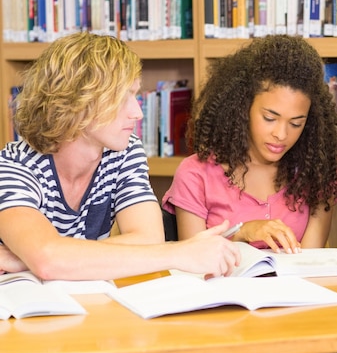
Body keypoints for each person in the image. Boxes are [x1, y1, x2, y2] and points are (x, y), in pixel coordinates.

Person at [0, 32, 241, 280]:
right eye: (121, 98)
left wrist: (28, 259)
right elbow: (48, 261)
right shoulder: (14, 167)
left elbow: (149, 241)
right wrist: (180, 254)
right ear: (77, 104)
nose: (137, 113)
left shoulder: (123, 151)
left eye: (134, 96)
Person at [162, 34, 337, 254]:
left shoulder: (319, 171)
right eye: (269, 118)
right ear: (243, 106)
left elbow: (308, 263)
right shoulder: (195, 174)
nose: (281, 134)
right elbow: (192, 261)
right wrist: (240, 233)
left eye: (296, 123)